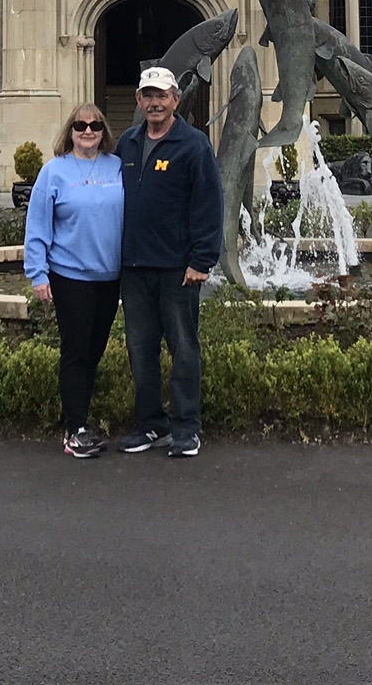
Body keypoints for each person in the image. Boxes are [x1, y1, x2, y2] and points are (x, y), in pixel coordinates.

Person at [114, 64, 222, 458]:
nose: (155, 103)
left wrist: (202, 259)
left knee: (183, 348)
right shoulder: (126, 143)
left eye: (162, 95)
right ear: (139, 101)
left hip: (178, 267)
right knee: (140, 349)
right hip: (134, 267)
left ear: (176, 99)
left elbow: (209, 205)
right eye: (148, 95)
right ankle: (149, 425)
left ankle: (185, 428)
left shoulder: (193, 145)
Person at [22, 103, 124, 459]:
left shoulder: (117, 167)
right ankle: (74, 429)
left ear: (103, 131)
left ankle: (80, 419)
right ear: (70, 130)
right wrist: (37, 273)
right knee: (76, 352)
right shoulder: (54, 172)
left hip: (109, 276)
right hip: (70, 275)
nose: (88, 131)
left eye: (95, 125)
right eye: (80, 125)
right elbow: (38, 225)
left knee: (93, 352)